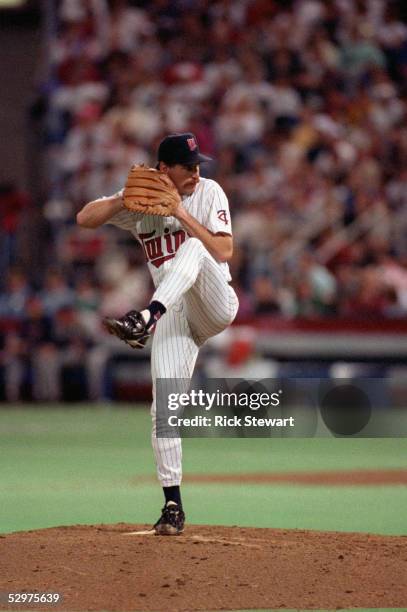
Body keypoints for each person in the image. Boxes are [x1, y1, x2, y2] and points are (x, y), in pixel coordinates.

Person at [77, 133, 239, 535]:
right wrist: (120, 199)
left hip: (212, 302)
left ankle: (147, 316)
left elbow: (224, 250)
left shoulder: (209, 191)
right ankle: (173, 506)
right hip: (174, 313)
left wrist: (182, 216)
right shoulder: (141, 200)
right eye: (189, 165)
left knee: (197, 248)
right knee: (163, 410)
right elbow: (84, 219)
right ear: (163, 169)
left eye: (199, 163)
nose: (197, 172)